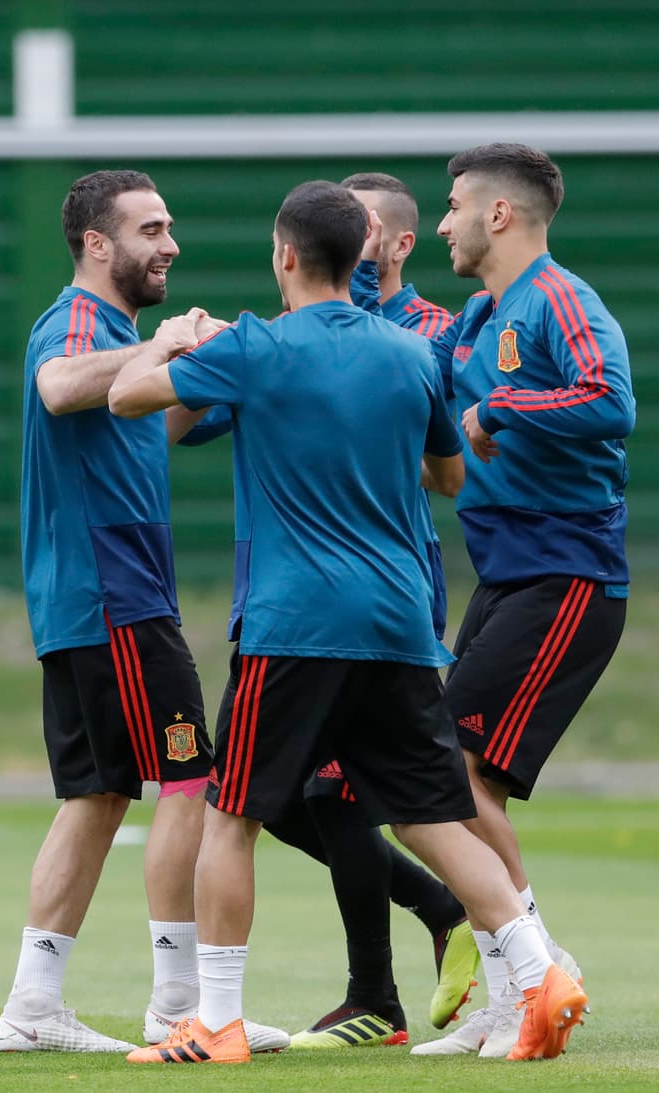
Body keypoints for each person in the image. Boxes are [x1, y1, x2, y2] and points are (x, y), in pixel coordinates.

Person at [113, 180, 585, 1065]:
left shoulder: (255, 347)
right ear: (364, 256)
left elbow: (126, 400)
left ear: (286, 255)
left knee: (229, 816)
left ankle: (214, 1018)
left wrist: (179, 339)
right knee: (434, 816)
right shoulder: (413, 355)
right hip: (401, 620)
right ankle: (536, 967)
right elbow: (449, 479)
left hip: (294, 622)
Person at [171, 174, 480, 1051]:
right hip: (353, 603)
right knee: (322, 797)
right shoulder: (330, 345)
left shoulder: (416, 336)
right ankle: (453, 947)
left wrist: (188, 354)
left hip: (330, 607)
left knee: (300, 799)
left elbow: (445, 469)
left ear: (394, 242)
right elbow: (193, 422)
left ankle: (362, 993)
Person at [0, 169, 286, 1056]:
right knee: (193, 781)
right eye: (151, 229)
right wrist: (162, 345)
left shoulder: (122, 339)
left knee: (97, 793)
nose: (170, 244)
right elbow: (58, 385)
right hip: (113, 593)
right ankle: (177, 1003)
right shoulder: (81, 323)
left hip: (100, 596)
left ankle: (33, 1007)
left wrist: (225, 365)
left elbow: (151, 424)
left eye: (169, 227)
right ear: (96, 244)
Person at [409, 144, 635, 1058]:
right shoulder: (476, 315)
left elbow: (611, 400)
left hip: (567, 572)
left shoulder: (561, 299)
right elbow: (415, 363)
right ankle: (519, 987)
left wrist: (504, 408)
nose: (444, 222)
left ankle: (535, 972)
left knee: (455, 771)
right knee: (463, 780)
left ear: (500, 214)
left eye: (455, 204)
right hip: (508, 574)